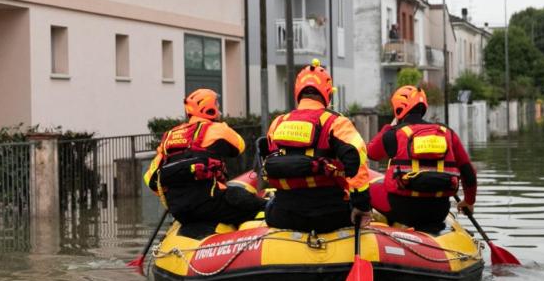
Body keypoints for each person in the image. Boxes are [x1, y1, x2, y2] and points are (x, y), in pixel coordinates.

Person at [261, 60, 371, 233]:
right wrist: (362, 205)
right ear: (328, 93)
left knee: (268, 205)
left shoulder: (278, 122)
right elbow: (356, 158)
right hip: (329, 216)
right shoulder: (336, 122)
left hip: (283, 215)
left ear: (298, 92)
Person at [144, 89, 266, 231]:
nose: (218, 108)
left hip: (179, 211)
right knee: (247, 202)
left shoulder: (169, 136)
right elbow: (240, 146)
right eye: (216, 104)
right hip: (209, 205)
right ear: (209, 108)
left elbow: (150, 179)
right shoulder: (215, 129)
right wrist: (222, 125)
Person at [366, 85, 477, 233]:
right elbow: (469, 173)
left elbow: (371, 153)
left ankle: (362, 225)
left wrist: (389, 127)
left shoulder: (394, 134)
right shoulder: (447, 133)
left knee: (362, 188)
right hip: (439, 212)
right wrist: (469, 201)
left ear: (398, 108)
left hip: (402, 210)